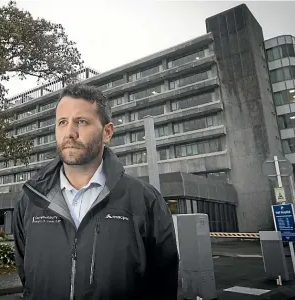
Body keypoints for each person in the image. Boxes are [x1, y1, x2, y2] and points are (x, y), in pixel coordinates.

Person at [13, 84, 178, 300]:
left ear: (107, 132)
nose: (70, 132)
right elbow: (28, 280)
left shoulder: (144, 200)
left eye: (81, 121)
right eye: (62, 122)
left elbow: (163, 285)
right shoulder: (31, 200)